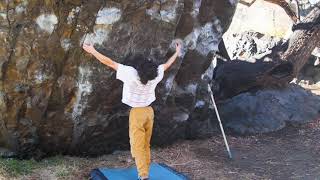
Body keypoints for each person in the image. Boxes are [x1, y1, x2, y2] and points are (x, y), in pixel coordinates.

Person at [82, 42, 182, 180]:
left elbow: (109, 62)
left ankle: (143, 176)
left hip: (137, 114)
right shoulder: (156, 73)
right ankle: (145, 168)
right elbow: (167, 64)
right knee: (146, 144)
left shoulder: (132, 74)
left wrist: (92, 50)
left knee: (137, 147)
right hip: (149, 112)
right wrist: (177, 52)